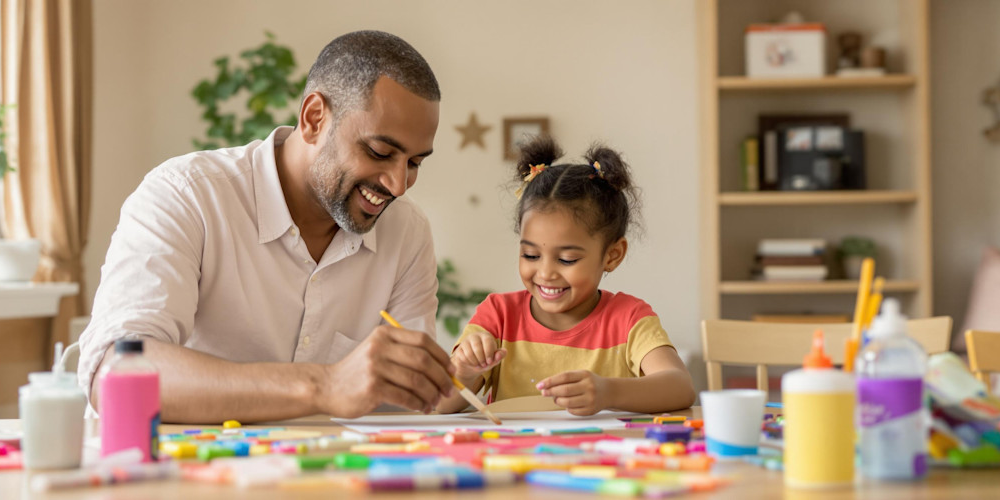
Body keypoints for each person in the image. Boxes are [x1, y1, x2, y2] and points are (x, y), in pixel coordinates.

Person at [78, 30, 457, 424]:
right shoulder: (187, 195)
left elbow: (409, 399)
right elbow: (115, 373)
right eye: (380, 152)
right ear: (314, 119)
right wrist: (323, 385)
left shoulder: (407, 232)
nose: (397, 184)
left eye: (414, 163)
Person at [436, 136, 695, 416]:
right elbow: (439, 404)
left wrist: (608, 392)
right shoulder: (498, 316)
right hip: (512, 457)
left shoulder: (630, 319)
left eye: (567, 259)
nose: (546, 273)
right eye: (531, 255)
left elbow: (680, 387)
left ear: (612, 255)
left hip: (601, 457)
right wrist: (464, 371)